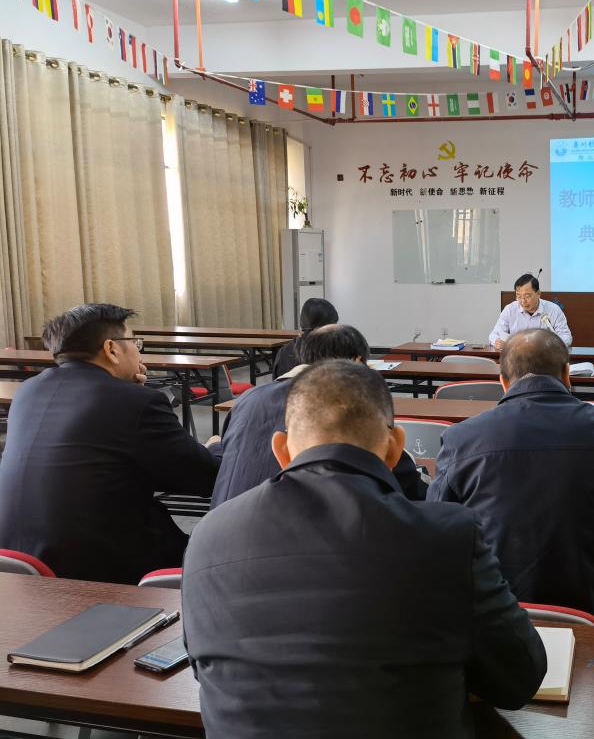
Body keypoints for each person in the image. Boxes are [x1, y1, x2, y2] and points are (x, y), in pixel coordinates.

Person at [183, 360, 546, 739]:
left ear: (282, 450)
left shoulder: (208, 535)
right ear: (395, 449)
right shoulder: (448, 536)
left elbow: (205, 670)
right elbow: (520, 679)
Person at [429, 329, 594, 628]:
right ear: (567, 374)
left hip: (497, 622)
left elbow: (436, 535)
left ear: (503, 381)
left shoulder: (461, 439)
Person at [0, 304, 220, 583]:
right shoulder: (136, 402)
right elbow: (205, 477)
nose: (139, 353)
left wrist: (132, 393)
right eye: (135, 343)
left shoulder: (28, 391)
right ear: (111, 349)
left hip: (17, 563)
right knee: (219, 553)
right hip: (99, 570)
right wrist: (214, 447)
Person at [212, 323, 426, 507]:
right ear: (358, 361)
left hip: (224, 524)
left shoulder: (248, 399)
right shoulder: (351, 405)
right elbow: (409, 488)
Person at [489, 273, 572, 350]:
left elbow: (566, 336)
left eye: (527, 296)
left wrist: (550, 345)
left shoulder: (553, 309)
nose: (523, 301)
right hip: (516, 356)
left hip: (544, 356)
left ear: (538, 293)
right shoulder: (510, 309)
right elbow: (494, 334)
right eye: (519, 296)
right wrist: (497, 342)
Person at [272, 297, 339, 378]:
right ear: (320, 327)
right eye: (333, 324)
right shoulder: (330, 351)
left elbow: (276, 380)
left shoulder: (284, 350)